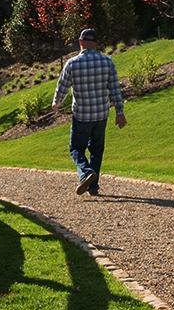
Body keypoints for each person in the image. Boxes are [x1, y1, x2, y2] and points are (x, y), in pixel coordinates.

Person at [53, 26, 125, 196]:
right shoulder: (107, 62)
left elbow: (62, 86)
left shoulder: (72, 63)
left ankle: (86, 173)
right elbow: (115, 89)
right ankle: (93, 186)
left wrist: (56, 102)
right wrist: (120, 112)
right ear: (96, 43)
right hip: (101, 115)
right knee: (97, 150)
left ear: (81, 43)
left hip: (82, 115)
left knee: (76, 148)